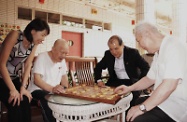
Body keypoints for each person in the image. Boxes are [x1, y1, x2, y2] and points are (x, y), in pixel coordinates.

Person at [114, 21, 187, 122]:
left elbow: (169, 85)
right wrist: (129, 88)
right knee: (137, 101)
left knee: (138, 118)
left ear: (147, 34)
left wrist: (142, 108)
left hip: (175, 106)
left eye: (139, 41)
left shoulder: (173, 46)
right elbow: (149, 79)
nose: (139, 46)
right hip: (165, 101)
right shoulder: (159, 52)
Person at [0, 18, 50, 122]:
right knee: (15, 101)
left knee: (25, 98)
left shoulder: (33, 44)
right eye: (43, 35)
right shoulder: (15, 35)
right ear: (33, 31)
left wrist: (23, 87)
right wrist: (13, 90)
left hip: (13, 78)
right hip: (1, 78)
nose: (43, 39)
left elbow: (28, 65)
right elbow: (1, 64)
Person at [94, 35, 150, 106]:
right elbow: (98, 67)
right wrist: (99, 81)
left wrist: (140, 82)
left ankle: (125, 116)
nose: (114, 52)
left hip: (131, 83)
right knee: (103, 99)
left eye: (116, 48)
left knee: (129, 103)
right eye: (111, 49)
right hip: (115, 82)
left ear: (122, 45)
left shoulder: (132, 53)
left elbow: (146, 67)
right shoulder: (108, 54)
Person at [27, 39, 69, 122]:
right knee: (49, 99)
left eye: (66, 53)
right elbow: (37, 80)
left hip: (53, 92)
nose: (63, 56)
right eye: (61, 52)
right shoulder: (42, 57)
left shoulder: (62, 60)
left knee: (66, 99)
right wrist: (52, 89)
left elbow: (64, 77)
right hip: (36, 91)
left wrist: (64, 89)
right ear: (53, 49)